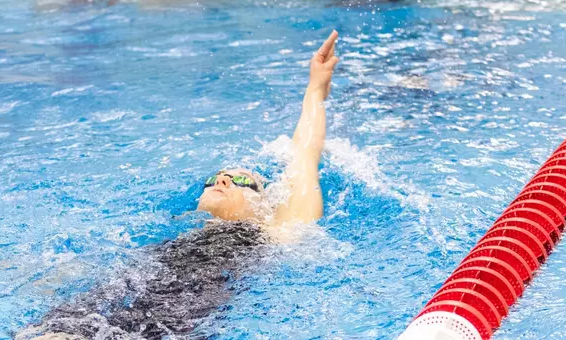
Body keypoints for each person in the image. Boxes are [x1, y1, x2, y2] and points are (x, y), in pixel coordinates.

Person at [18, 30, 340, 340]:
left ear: (266, 203)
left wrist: (315, 88)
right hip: (118, 297)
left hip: (173, 322)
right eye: (213, 178)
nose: (222, 180)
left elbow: (304, 156)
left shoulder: (275, 232)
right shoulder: (174, 238)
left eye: (241, 180)